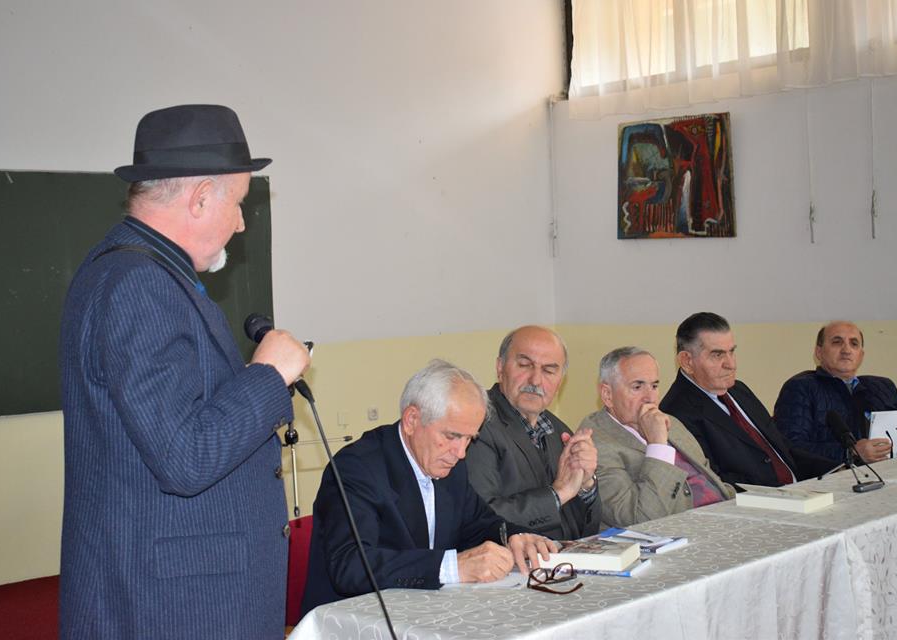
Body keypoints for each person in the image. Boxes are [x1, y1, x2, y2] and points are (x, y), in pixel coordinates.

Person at [59, 105, 311, 639]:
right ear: (200, 198)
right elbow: (185, 456)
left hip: (179, 599)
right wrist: (269, 375)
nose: (241, 223)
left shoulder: (142, 273)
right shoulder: (139, 285)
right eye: (238, 203)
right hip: (174, 609)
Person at [302, 360, 557, 614]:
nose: (460, 452)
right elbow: (351, 565)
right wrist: (453, 567)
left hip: (422, 611)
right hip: (353, 618)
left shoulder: (448, 464)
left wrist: (514, 537)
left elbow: (478, 523)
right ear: (412, 420)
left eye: (470, 439)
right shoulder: (356, 467)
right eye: (452, 436)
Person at [660, 312, 832, 487]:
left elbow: (781, 447)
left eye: (731, 352)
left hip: (801, 489)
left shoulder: (739, 389)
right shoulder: (676, 413)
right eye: (717, 355)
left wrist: (835, 470)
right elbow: (713, 483)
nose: (731, 364)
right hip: (759, 500)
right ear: (687, 361)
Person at [465, 326, 600, 539]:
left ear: (560, 381)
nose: (536, 380)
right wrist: (558, 494)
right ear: (500, 368)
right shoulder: (477, 425)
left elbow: (586, 531)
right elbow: (482, 519)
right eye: (525, 365)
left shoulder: (560, 431)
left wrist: (585, 485)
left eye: (548, 370)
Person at [582, 347, 733, 528]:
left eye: (654, 386)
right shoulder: (594, 445)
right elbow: (640, 521)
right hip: (679, 532)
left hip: (723, 517)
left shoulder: (671, 422)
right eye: (637, 387)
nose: (650, 398)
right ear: (607, 395)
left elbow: (708, 480)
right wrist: (658, 446)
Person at [774, 321, 897, 464]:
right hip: (833, 476)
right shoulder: (800, 388)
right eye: (837, 342)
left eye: (854, 344)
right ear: (819, 352)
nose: (846, 350)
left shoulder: (884, 387)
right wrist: (851, 452)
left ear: (861, 355)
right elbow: (790, 447)